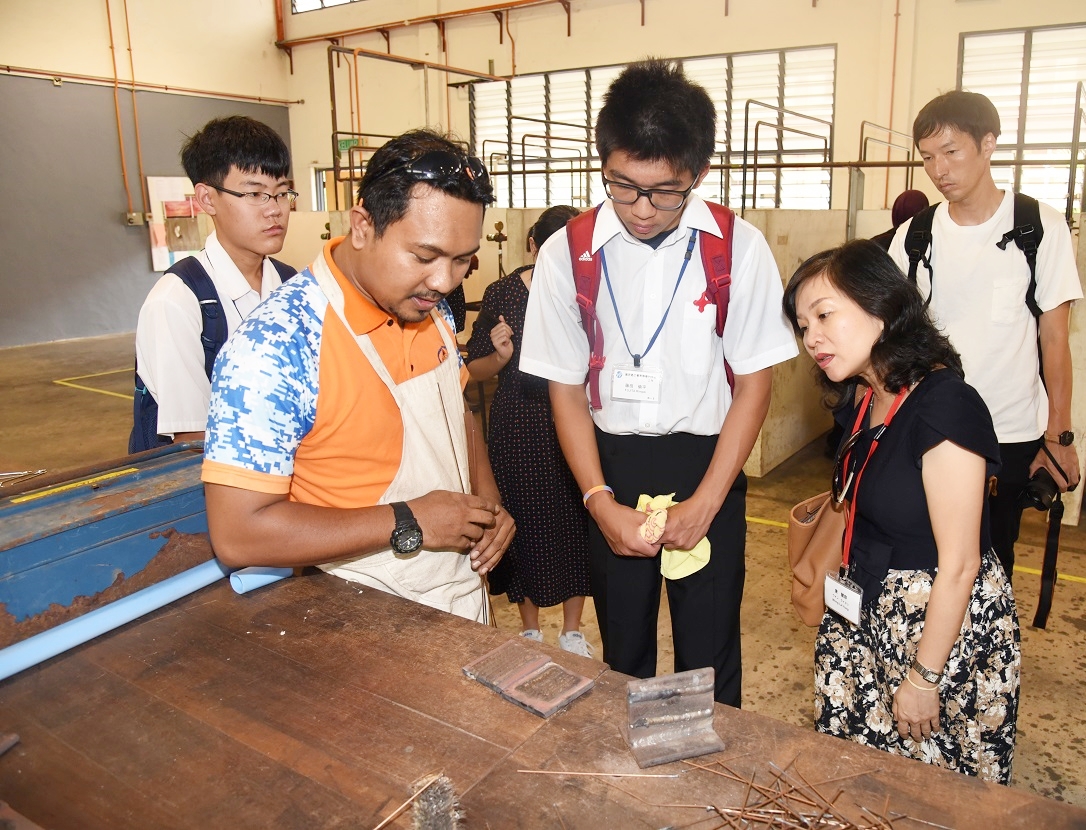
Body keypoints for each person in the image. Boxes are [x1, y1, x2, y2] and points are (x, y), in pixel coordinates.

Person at [520, 59, 799, 707]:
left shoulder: (738, 248)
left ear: (698, 173)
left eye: (665, 191)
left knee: (709, 650)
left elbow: (755, 383)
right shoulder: (568, 253)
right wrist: (597, 501)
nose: (642, 210)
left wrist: (706, 503)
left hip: (708, 463)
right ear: (603, 164)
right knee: (623, 651)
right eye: (623, 186)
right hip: (609, 467)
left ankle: (715, 758)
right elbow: (565, 388)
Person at [201, 130, 514, 622]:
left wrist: (487, 503)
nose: (443, 282)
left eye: (461, 260)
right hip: (362, 621)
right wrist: (409, 519)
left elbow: (457, 414)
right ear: (363, 225)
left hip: (460, 603)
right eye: (424, 256)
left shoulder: (429, 310)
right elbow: (240, 534)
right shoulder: (276, 346)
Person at [784, 239, 1020, 784]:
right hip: (865, 614)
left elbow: (961, 563)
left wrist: (924, 678)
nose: (811, 337)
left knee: (933, 795)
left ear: (883, 309)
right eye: (803, 325)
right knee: (858, 784)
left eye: (825, 315)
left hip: (935, 630)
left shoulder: (944, 405)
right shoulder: (866, 397)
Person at [888, 90, 1084, 580]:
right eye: (927, 158)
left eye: (951, 152)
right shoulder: (913, 237)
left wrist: (1059, 436)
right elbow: (891, 339)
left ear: (988, 143)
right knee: (922, 557)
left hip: (1008, 433)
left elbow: (1055, 340)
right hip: (929, 426)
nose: (939, 170)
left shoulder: (1039, 227)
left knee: (993, 562)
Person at [466, 205, 593, 656]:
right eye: (551, 251)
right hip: (518, 423)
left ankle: (573, 632)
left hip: (574, 422)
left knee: (576, 523)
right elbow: (474, 370)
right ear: (533, 246)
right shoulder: (502, 294)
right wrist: (499, 356)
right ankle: (530, 629)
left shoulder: (589, 290)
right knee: (521, 523)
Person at [131, 116, 299, 452]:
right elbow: (193, 441)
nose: (275, 210)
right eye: (255, 193)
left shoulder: (290, 283)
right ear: (207, 199)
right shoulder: (176, 302)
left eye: (282, 193)